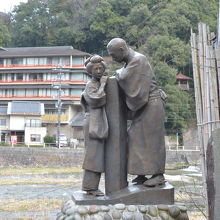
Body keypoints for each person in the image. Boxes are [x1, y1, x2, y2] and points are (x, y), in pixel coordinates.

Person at [107, 38, 166, 187]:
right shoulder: (130, 62)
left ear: (122, 50)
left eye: (113, 55)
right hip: (144, 106)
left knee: (152, 141)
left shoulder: (138, 59)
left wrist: (119, 73)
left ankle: (158, 175)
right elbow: (125, 75)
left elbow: (125, 77)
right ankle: (142, 173)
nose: (113, 58)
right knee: (135, 137)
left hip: (151, 104)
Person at [80, 55, 108, 196]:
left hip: (98, 122)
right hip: (92, 123)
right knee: (93, 155)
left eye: (100, 68)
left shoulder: (97, 83)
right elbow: (96, 100)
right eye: (95, 69)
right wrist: (103, 85)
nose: (98, 71)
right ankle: (90, 187)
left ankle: (91, 186)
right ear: (90, 72)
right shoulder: (91, 85)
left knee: (97, 155)